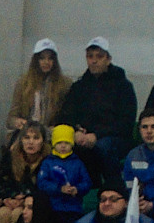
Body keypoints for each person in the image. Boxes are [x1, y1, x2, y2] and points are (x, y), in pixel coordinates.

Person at [58, 38, 138, 189]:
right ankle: (86, 191)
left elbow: (126, 122)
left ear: (108, 59)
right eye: (90, 56)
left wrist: (97, 135)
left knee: (102, 147)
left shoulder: (123, 86)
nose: (94, 61)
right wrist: (75, 131)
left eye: (99, 56)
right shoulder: (79, 87)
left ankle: (114, 189)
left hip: (116, 139)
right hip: (85, 138)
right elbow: (65, 115)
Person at [7, 40, 71, 140]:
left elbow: (68, 115)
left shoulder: (64, 84)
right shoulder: (23, 83)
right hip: (27, 133)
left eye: (50, 58)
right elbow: (11, 118)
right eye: (42, 58)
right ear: (35, 60)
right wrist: (17, 122)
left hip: (51, 134)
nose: (46, 62)